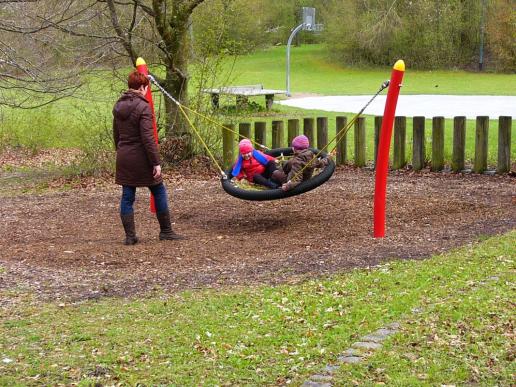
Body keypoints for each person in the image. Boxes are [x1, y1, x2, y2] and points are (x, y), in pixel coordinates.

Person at [113, 70, 184, 245]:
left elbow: (116, 135)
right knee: (158, 189)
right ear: (143, 87)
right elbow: (148, 138)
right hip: (141, 158)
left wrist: (121, 152)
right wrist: (156, 163)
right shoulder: (143, 106)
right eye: (146, 87)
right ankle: (166, 231)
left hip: (124, 156)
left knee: (127, 195)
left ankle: (130, 237)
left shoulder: (118, 106)